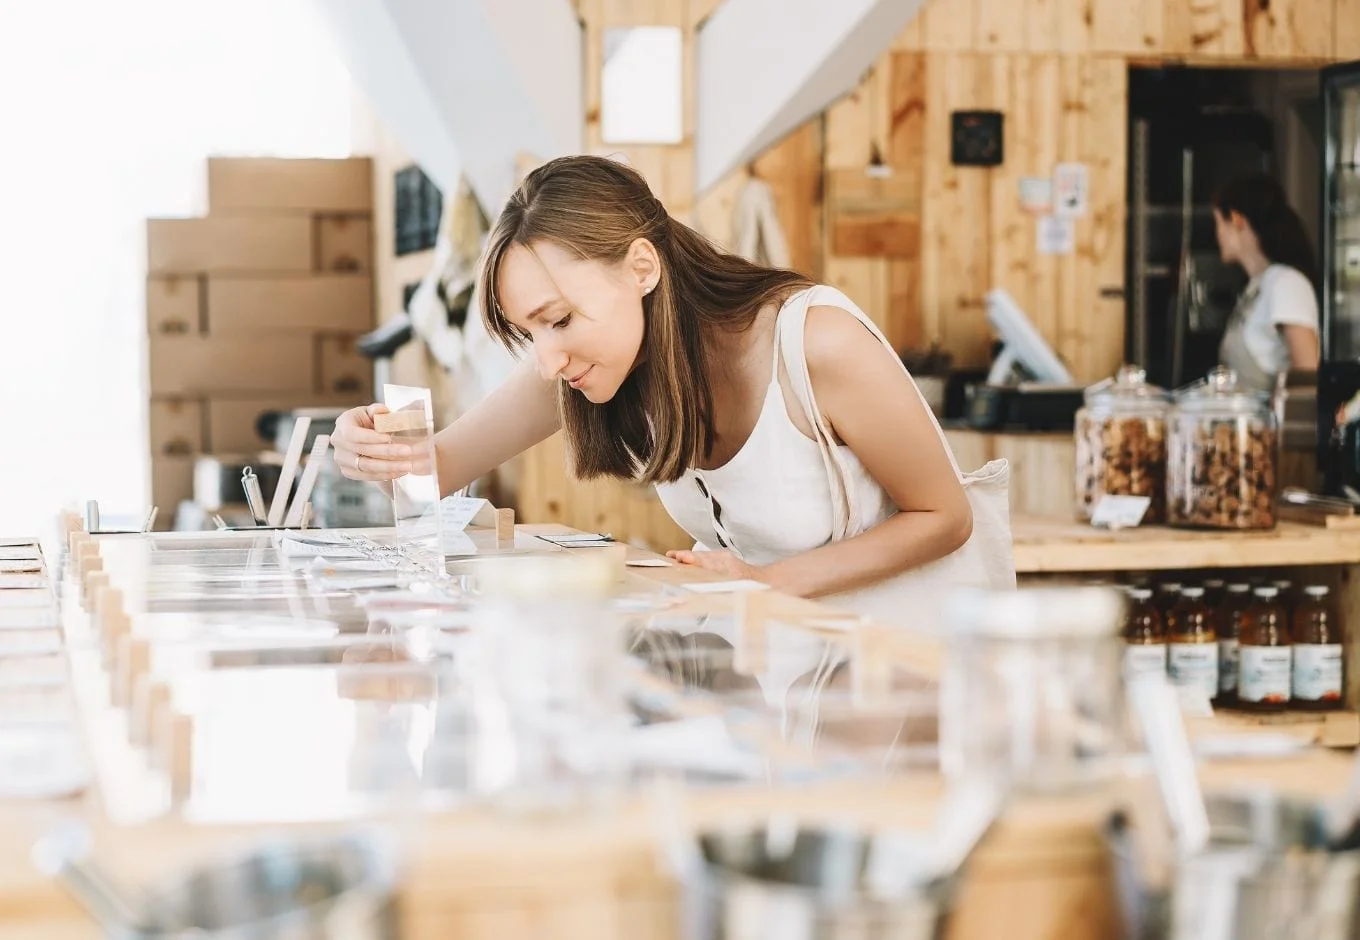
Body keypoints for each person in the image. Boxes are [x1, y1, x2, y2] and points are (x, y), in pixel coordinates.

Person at [331, 155, 1006, 630]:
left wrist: (763, 583)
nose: (544, 359)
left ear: (642, 267)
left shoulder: (815, 343)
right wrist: (369, 441)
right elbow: (433, 468)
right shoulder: (588, 360)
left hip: (918, 678)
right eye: (527, 331)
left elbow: (945, 518)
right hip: (798, 674)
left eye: (558, 319)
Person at [1212, 173, 1320, 391]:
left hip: (1270, 424)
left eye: (1218, 223)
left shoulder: (1286, 284)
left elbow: (1308, 376)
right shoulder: (1257, 287)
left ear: (1236, 219)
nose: (1217, 235)